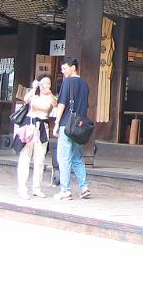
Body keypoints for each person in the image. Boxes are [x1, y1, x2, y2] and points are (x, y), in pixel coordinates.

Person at [52, 57, 91, 201]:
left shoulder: (67, 82)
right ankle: (84, 187)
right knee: (77, 157)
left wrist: (56, 123)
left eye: (64, 68)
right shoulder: (85, 84)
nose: (63, 71)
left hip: (67, 124)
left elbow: (61, 104)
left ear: (73, 67)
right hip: (79, 126)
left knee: (64, 158)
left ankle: (66, 191)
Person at [17, 74, 57, 199]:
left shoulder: (51, 97)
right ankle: (22, 188)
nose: (46, 85)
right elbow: (25, 99)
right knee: (25, 158)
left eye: (49, 83)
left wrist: (49, 93)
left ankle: (37, 188)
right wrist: (34, 88)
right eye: (44, 83)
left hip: (43, 127)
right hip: (30, 126)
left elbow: (55, 104)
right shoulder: (34, 95)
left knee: (39, 160)